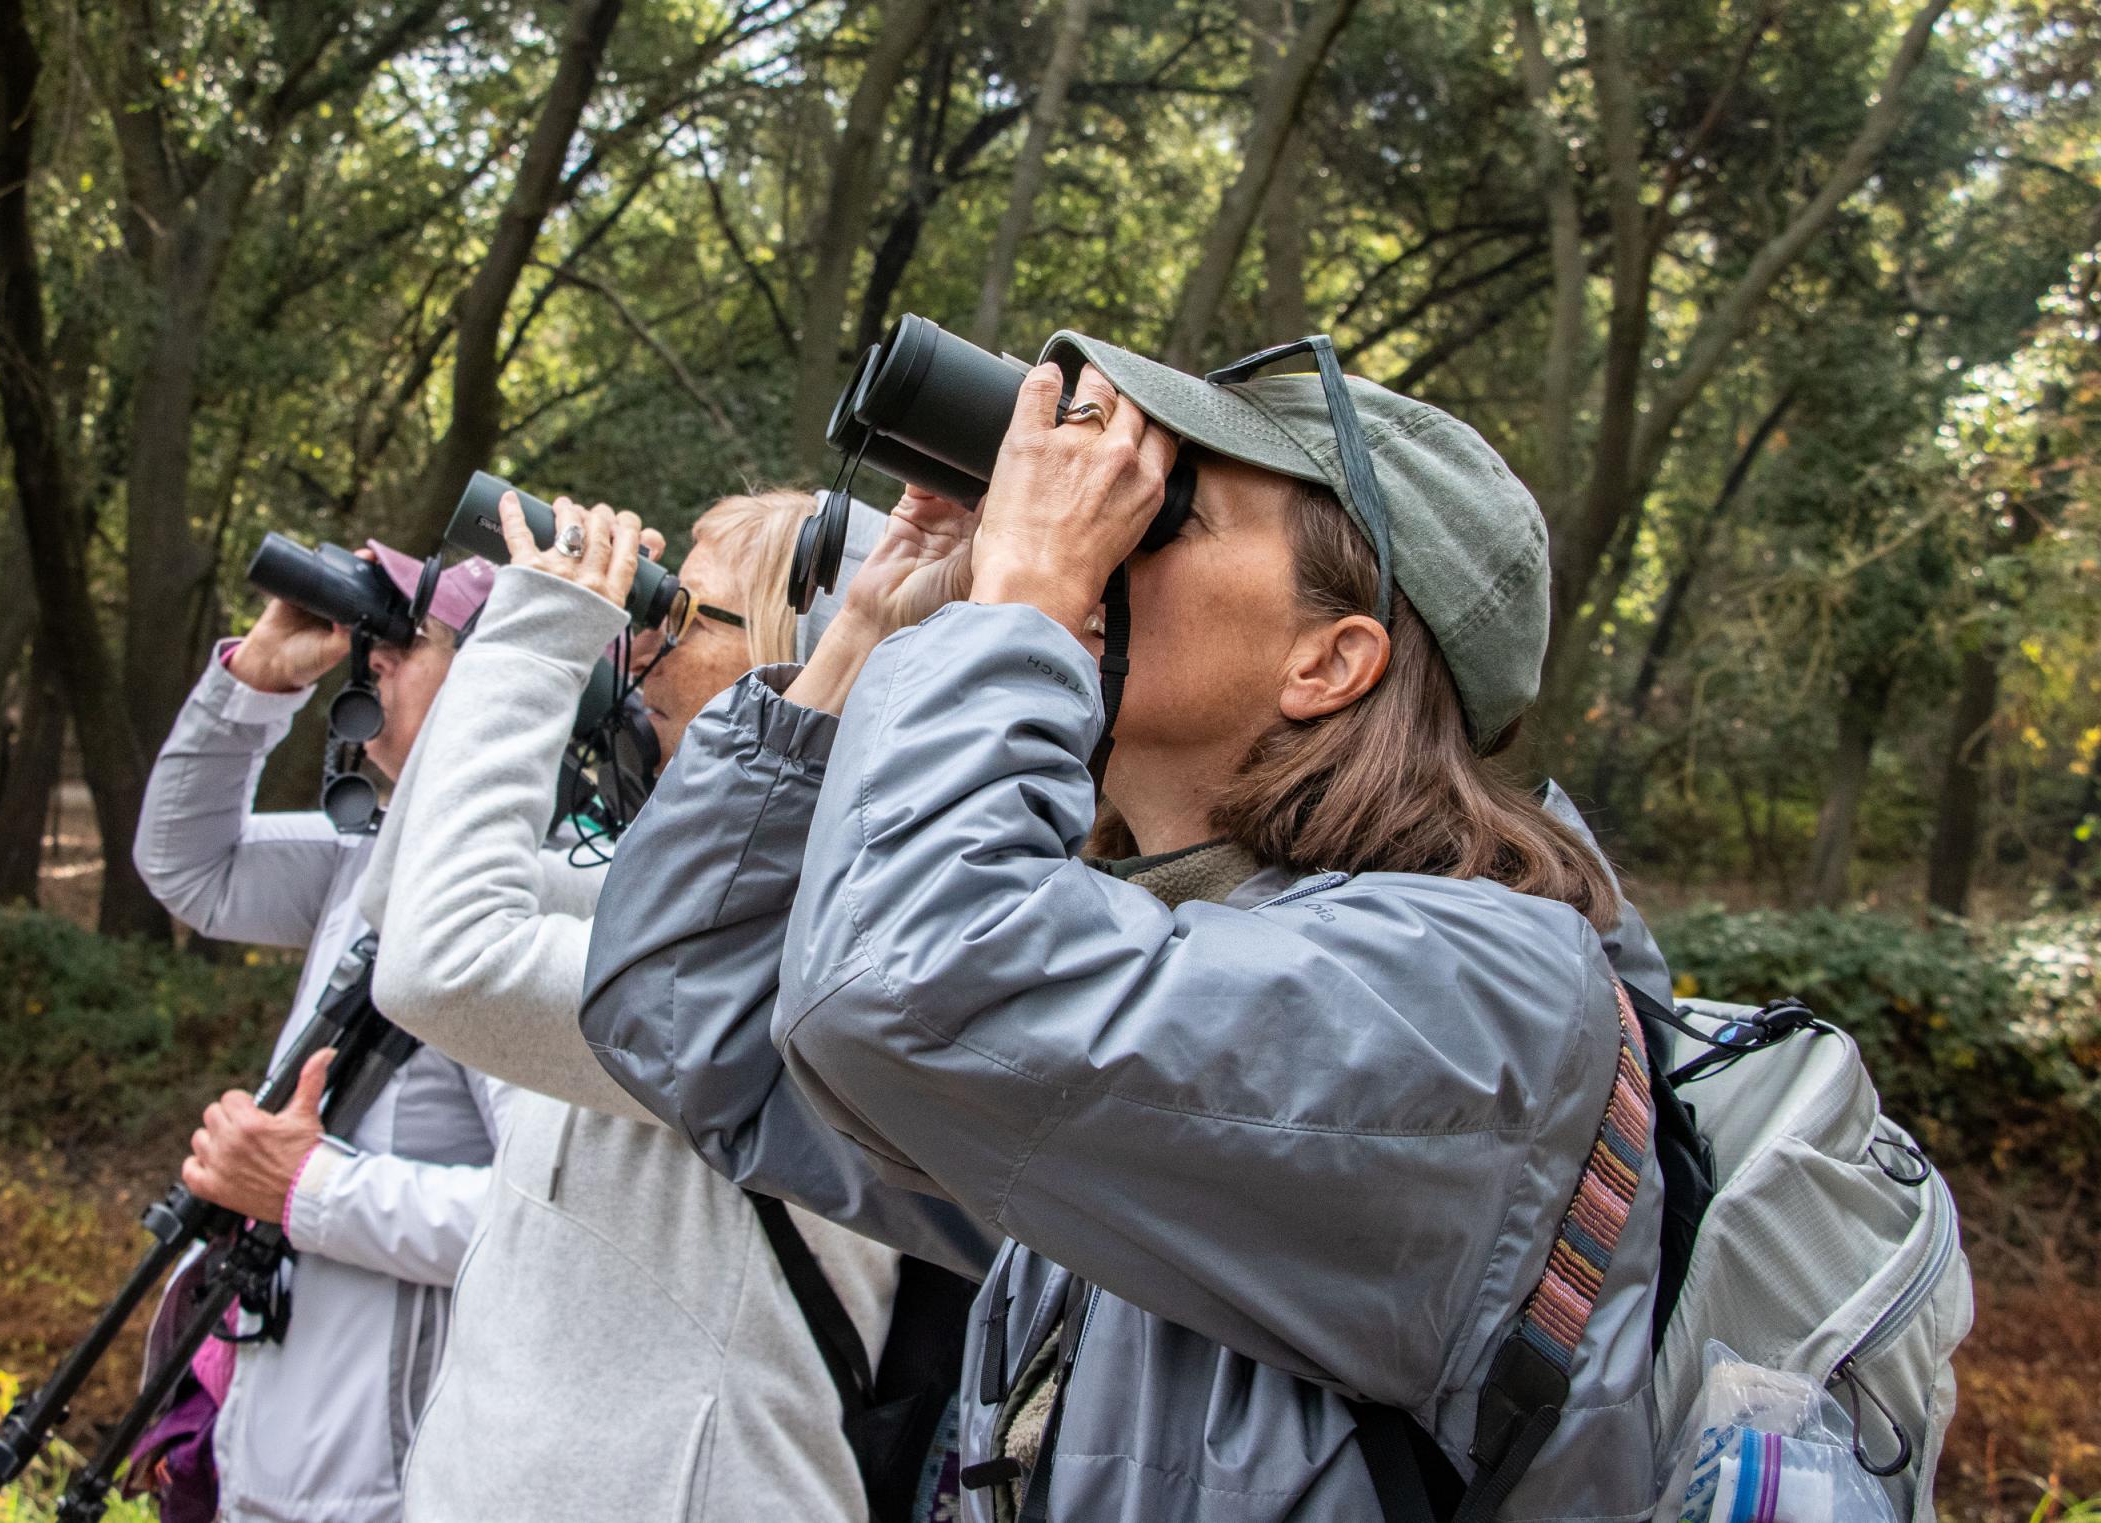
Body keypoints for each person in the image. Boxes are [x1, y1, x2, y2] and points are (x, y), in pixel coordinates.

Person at [584, 341, 1679, 1520]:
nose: (1101, 526)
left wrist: (1024, 602)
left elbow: (891, 994)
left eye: (1170, 512)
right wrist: (870, 631)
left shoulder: (1468, 999)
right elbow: (693, 1014)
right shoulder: (1166, 950)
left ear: (1330, 658)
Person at [358, 488, 991, 1523]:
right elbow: (405, 906)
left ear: (811, 661)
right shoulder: (693, 907)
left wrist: (545, 628)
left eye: (685, 615)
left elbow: (448, 962)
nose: (643, 638)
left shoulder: (808, 953)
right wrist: (517, 635)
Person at [131, 546, 508, 1523]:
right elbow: (191, 867)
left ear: (508, 675)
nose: (372, 656)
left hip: (398, 1485)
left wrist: (311, 1187)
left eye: (408, 638)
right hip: (274, 1453)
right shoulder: (377, 858)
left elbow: (546, 1223)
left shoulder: (530, 906)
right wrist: (253, 686)